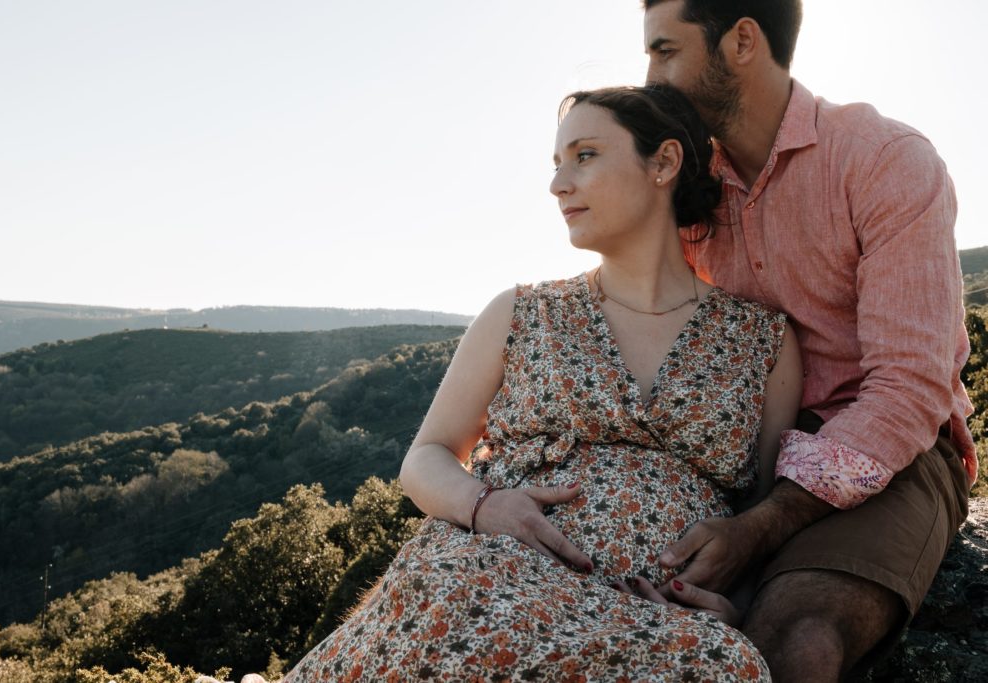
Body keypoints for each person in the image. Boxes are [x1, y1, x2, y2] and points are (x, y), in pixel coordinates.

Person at [280, 84, 802, 682]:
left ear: (663, 163)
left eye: (584, 156)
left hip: (654, 621)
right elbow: (424, 458)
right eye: (556, 164)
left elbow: (759, 517)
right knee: (467, 633)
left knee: (730, 669)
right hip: (492, 582)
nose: (558, 185)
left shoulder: (762, 340)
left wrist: (734, 606)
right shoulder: (522, 313)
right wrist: (483, 505)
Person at [636, 1, 975, 680]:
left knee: (793, 641)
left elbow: (908, 392)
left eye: (665, 50)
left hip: (893, 452)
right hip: (732, 449)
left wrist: (760, 526)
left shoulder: (884, 159)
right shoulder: (684, 186)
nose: (650, 76)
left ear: (741, 41)